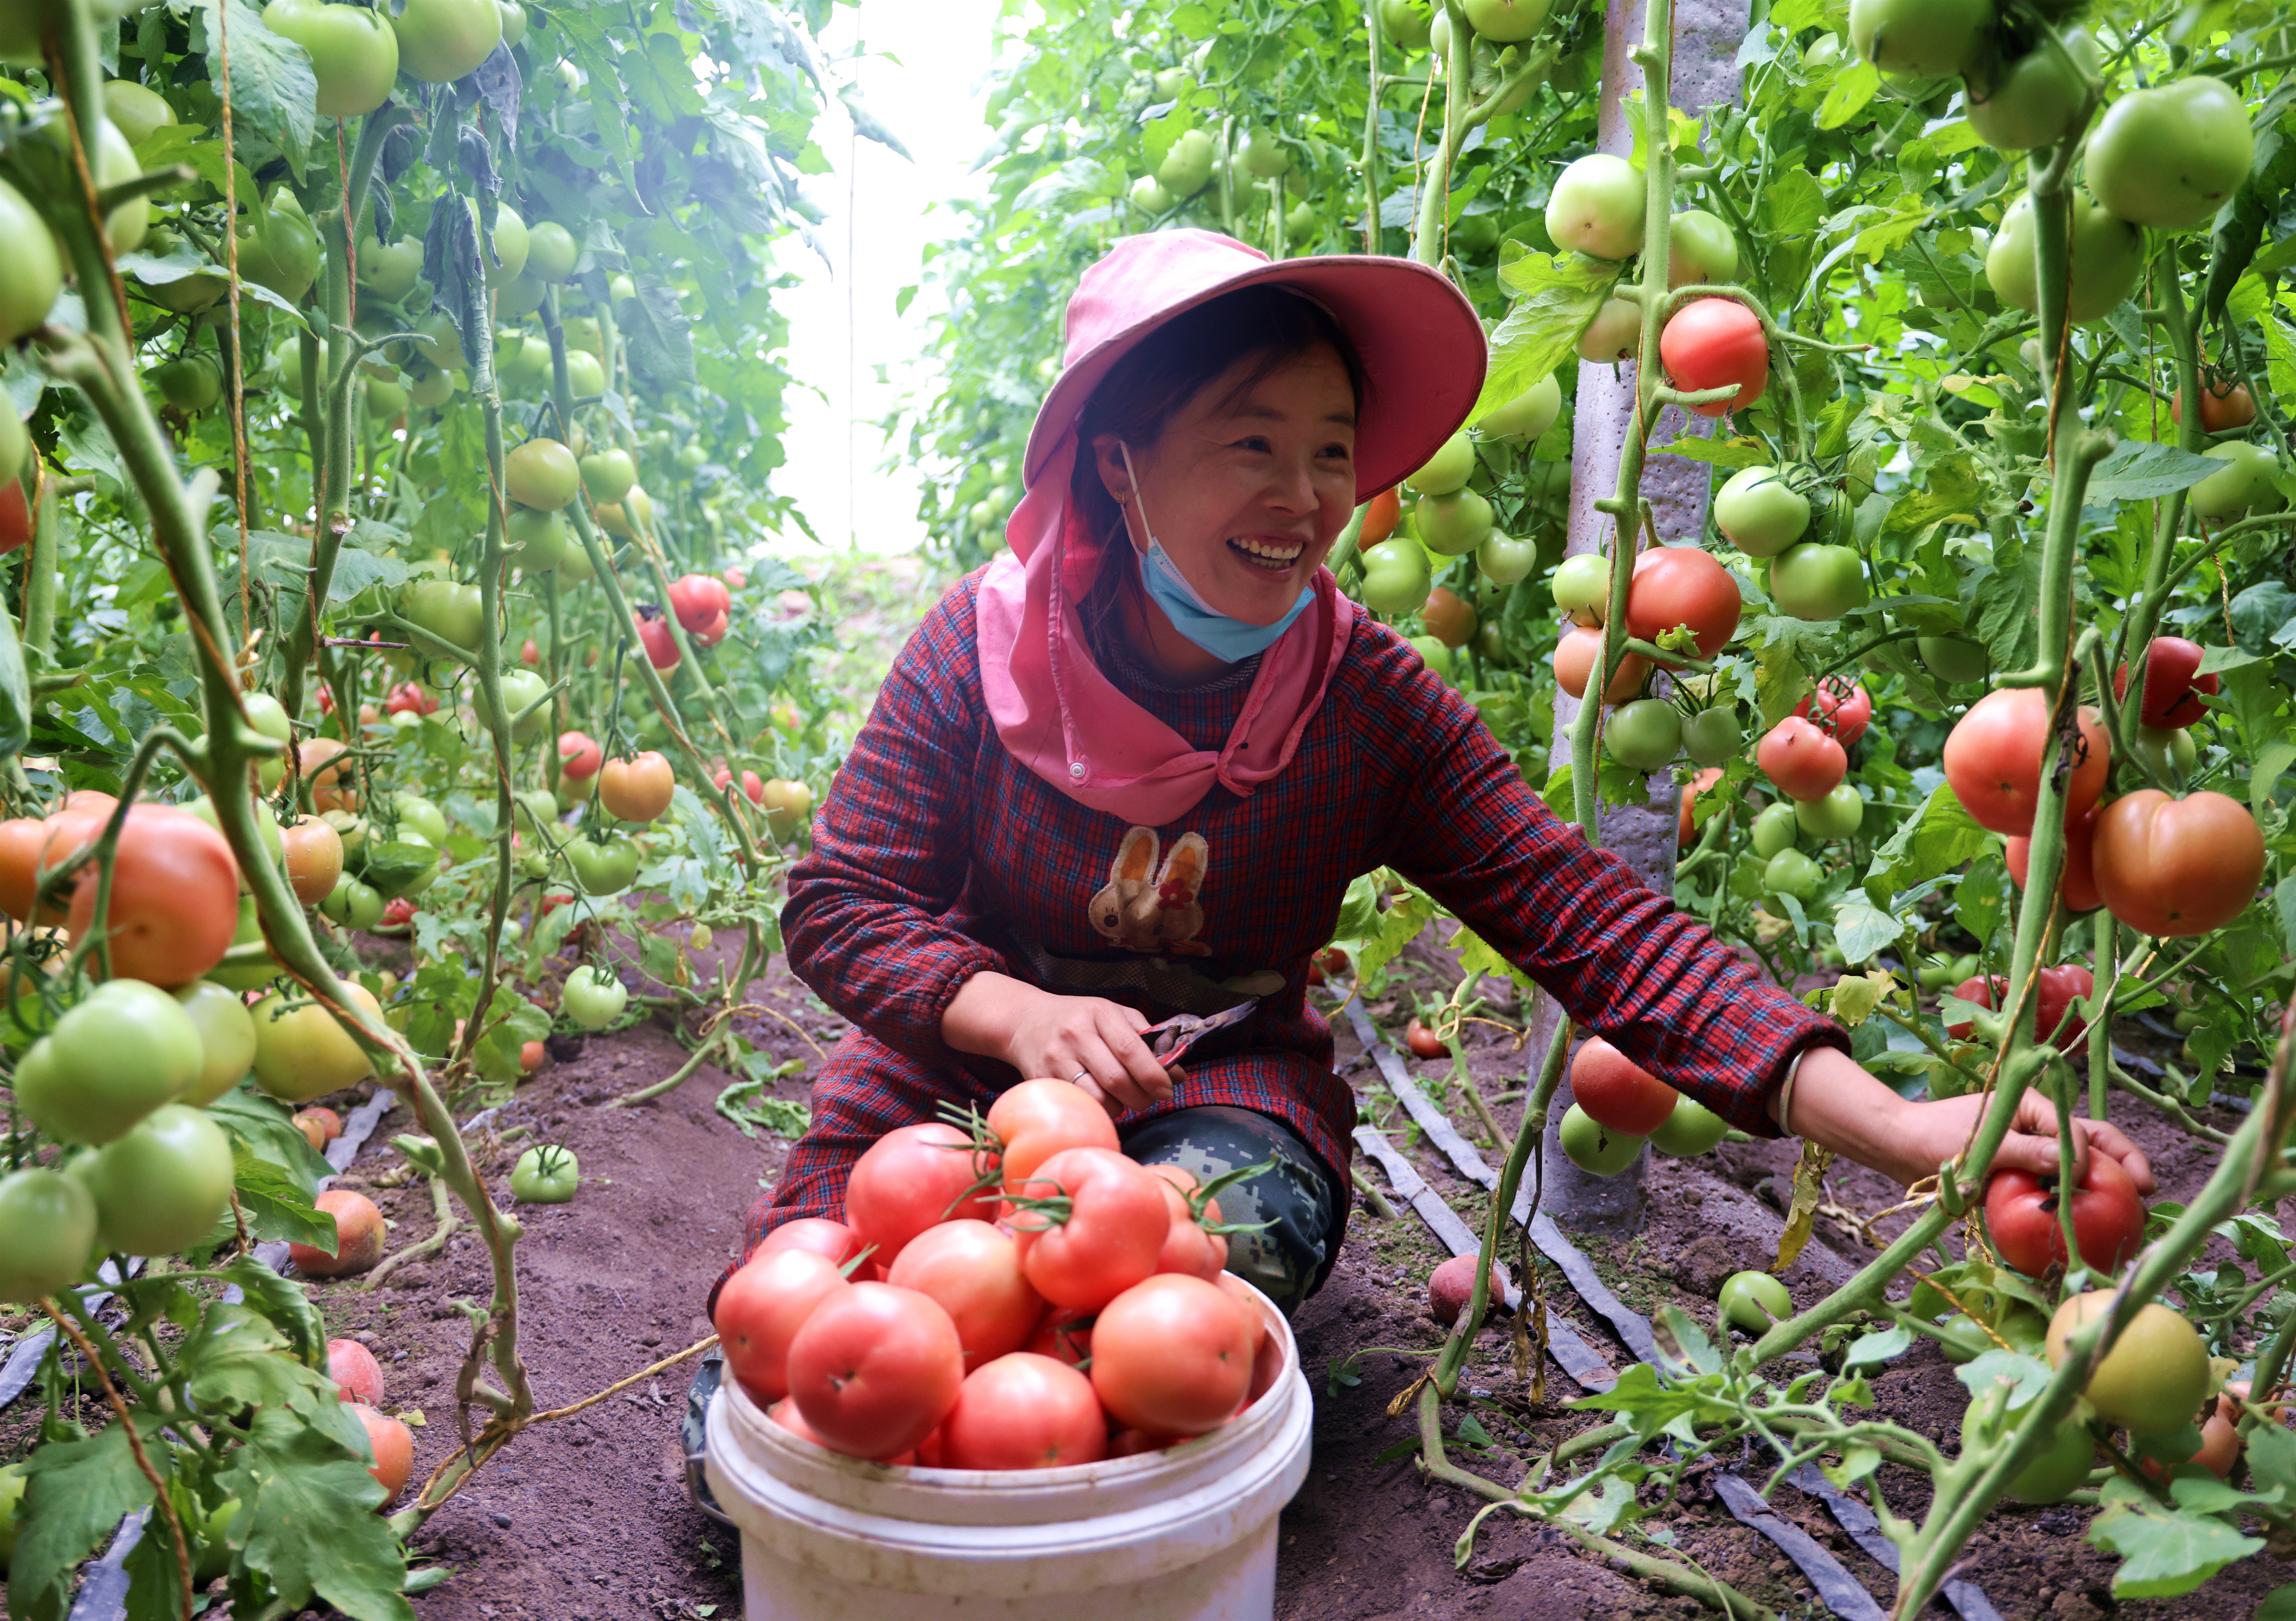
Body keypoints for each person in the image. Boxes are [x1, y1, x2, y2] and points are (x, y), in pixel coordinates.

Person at [753, 228, 2153, 1313]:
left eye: (1330, 454)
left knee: (1180, 1275)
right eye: (1251, 444)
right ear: (1120, 468)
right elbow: (839, 902)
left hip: (1219, 1091)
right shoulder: (975, 654)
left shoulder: (1364, 702)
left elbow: (1592, 923)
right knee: (811, 1313)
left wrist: (1897, 1122)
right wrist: (1003, 1010)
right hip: (949, 1081)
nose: (1303, 501)